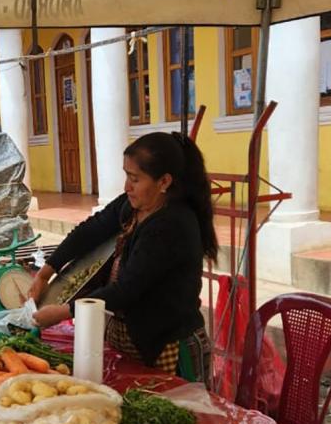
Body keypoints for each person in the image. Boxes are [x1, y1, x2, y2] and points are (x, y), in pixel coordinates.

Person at [30, 132, 217, 383]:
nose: (126, 186)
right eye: (126, 175)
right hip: (132, 346)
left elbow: (127, 290)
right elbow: (91, 230)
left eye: (135, 179)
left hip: (167, 347)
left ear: (164, 181)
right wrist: (46, 272)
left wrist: (65, 311)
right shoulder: (133, 205)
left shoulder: (171, 225)